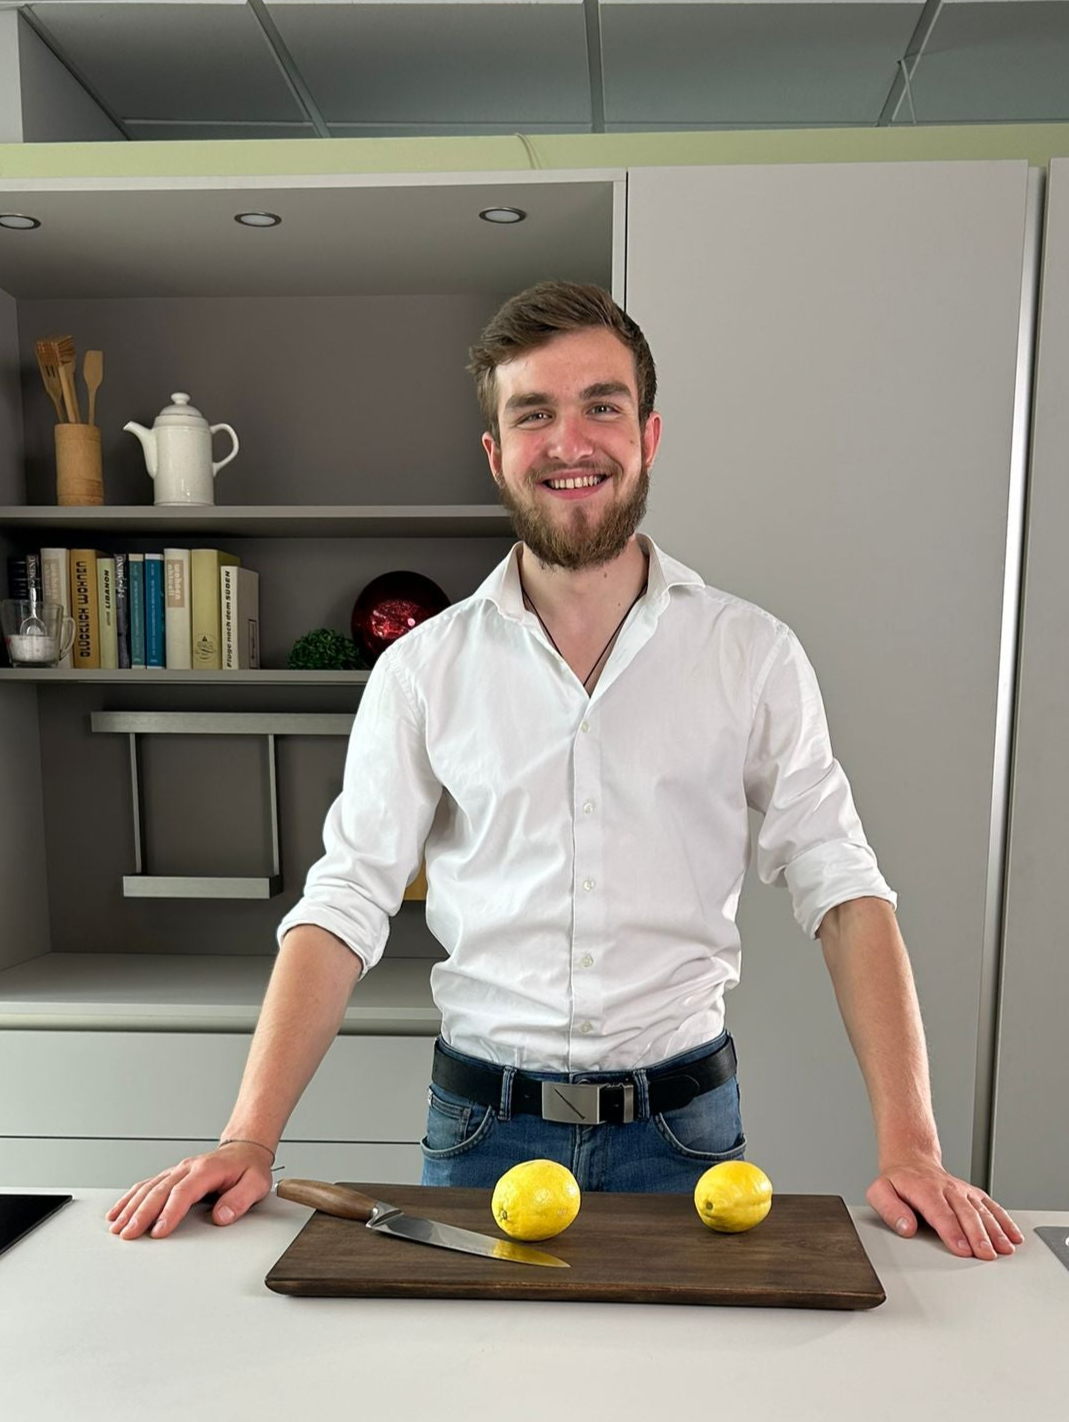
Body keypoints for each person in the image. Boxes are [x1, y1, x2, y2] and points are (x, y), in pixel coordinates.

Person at [108, 280, 1022, 1261]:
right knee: (475, 1369)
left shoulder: (752, 654)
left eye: (601, 405)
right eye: (533, 413)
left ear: (648, 435)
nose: (569, 441)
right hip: (480, 1134)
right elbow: (345, 901)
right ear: (497, 452)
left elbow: (842, 889)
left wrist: (912, 1148)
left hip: (684, 1135)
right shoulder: (422, 669)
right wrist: (248, 1138)